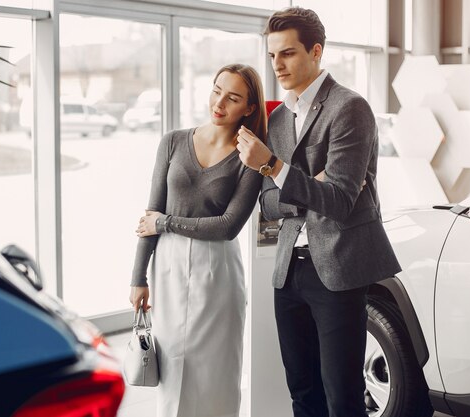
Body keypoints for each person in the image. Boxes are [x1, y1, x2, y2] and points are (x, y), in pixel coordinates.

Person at [236, 7, 401, 417]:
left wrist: (275, 168)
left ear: (316, 51)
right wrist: (310, 184)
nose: (278, 65)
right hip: (289, 270)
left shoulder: (350, 108)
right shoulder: (277, 118)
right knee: (302, 392)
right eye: (272, 55)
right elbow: (269, 205)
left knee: (342, 397)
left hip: (340, 269)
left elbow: (341, 201)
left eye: (288, 53)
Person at [129, 63, 267, 417]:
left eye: (233, 97)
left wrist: (167, 223)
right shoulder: (173, 141)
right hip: (169, 267)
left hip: (217, 270)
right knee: (173, 367)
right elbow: (151, 214)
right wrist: (138, 278)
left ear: (249, 109)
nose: (219, 102)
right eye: (216, 90)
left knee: (215, 373)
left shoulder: (250, 157)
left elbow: (228, 226)